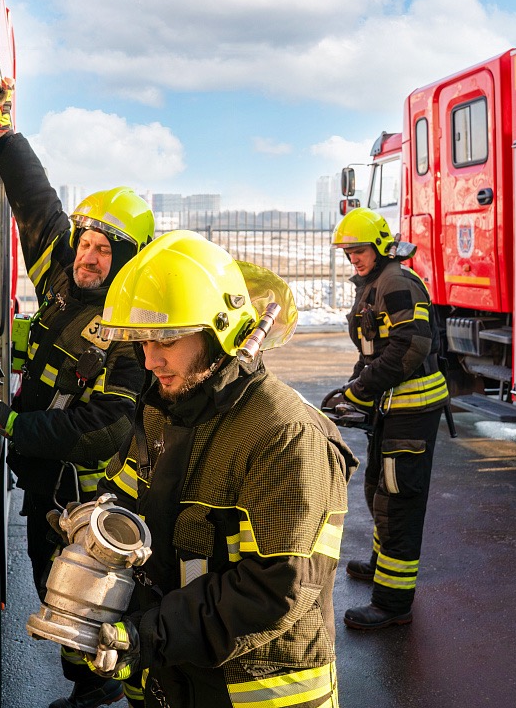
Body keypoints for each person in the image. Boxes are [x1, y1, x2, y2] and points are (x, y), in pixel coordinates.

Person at [85, 230, 357, 708]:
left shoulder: (283, 435)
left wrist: (148, 635)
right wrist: (91, 528)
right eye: (141, 342)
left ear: (220, 332)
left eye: (166, 338)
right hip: (172, 678)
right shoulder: (165, 407)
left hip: (252, 690)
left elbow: (272, 590)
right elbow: (126, 500)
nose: (150, 361)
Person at [0, 82, 155, 708]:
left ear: (124, 259)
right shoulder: (60, 270)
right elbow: (37, 202)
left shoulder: (128, 329)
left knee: (84, 587)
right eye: (86, 242)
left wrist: (16, 428)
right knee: (54, 576)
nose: (88, 255)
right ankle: (91, 679)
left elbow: (108, 427)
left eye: (105, 249)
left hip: (86, 490)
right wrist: (6, 137)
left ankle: (100, 685)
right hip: (48, 477)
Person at [324, 206, 449, 630]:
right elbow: (375, 349)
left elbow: (410, 346)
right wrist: (353, 387)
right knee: (380, 488)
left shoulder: (396, 282)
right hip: (392, 410)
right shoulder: (375, 282)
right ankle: (382, 566)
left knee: (399, 503)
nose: (353, 259)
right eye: (348, 253)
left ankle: (392, 603)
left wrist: (361, 390)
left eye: (358, 250)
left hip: (411, 410)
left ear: (379, 247)